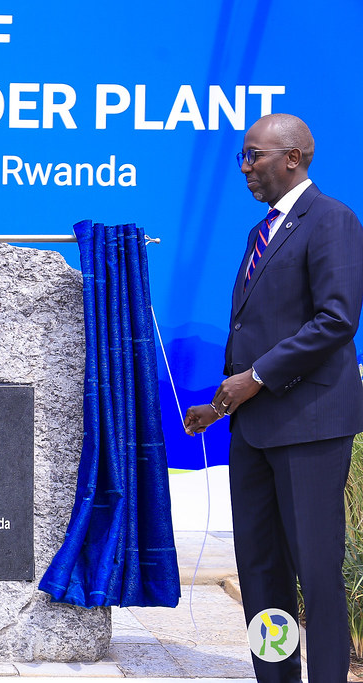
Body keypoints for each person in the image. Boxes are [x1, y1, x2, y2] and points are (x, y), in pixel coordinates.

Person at [184, 113, 363, 681]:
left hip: (310, 427)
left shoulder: (331, 220)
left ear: (292, 157)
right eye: (243, 155)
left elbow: (336, 319)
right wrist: (221, 405)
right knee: (261, 572)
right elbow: (255, 330)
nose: (245, 167)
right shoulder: (260, 233)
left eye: (253, 155)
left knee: (316, 570)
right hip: (254, 430)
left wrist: (256, 377)